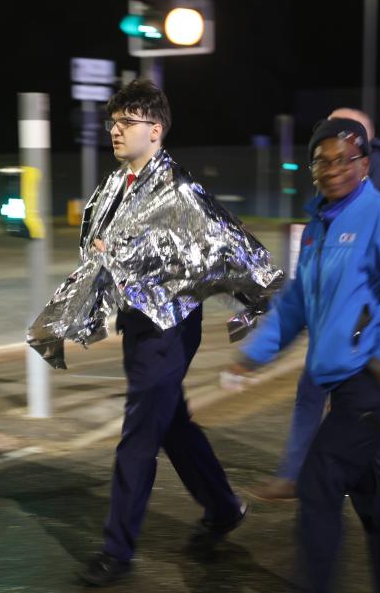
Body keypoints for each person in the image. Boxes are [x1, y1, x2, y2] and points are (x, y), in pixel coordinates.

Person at [224, 118, 380, 592]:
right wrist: (253, 356)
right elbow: (298, 300)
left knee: (319, 482)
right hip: (352, 380)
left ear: (364, 165)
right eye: (323, 160)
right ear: (312, 168)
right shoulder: (319, 225)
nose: (334, 168)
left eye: (345, 159)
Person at [76, 80, 249, 587]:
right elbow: (100, 245)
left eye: (126, 122)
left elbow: (223, 246)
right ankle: (222, 507)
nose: (115, 129)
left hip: (168, 328)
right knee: (171, 422)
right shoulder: (118, 185)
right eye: (113, 122)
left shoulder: (179, 191)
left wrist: (254, 301)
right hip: (138, 322)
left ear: (155, 130)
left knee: (137, 437)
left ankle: (117, 551)